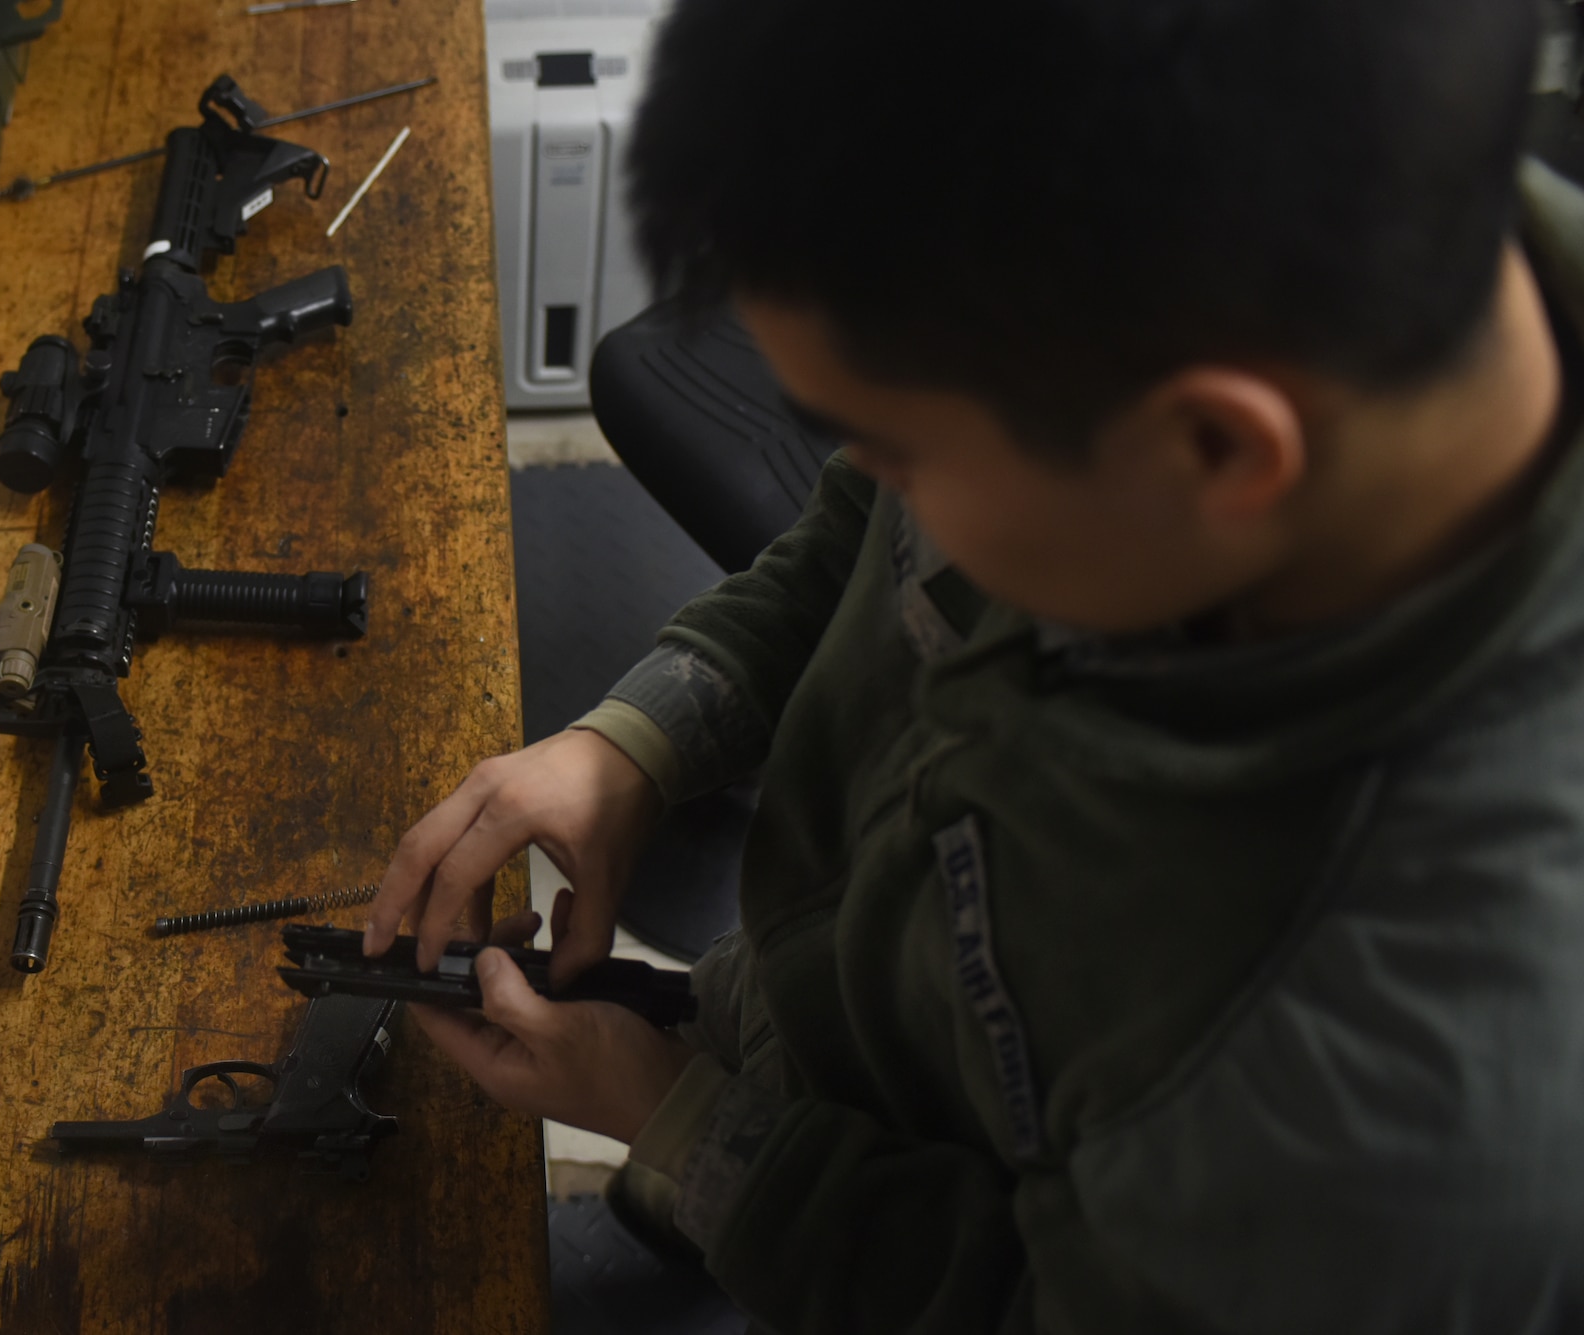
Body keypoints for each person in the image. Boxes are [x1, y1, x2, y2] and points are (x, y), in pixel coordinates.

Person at [366, 0, 1584, 1327]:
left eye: (900, 451)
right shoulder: (1187, 271)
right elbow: (859, 530)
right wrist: (634, 742)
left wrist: (683, 1131)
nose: (870, 482)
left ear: (1220, 454)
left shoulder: (1383, 1140)